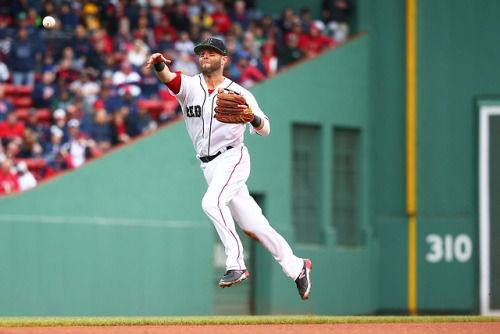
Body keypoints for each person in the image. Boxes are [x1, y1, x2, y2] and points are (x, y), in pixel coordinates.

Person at [146, 37, 312, 300]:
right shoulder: (189, 87)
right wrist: (157, 65)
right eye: (202, 53)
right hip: (208, 166)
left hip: (233, 158)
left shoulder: (241, 93)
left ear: (223, 59)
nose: (205, 57)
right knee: (254, 225)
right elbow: (169, 78)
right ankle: (297, 267)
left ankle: (236, 264)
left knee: (211, 203)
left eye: (211, 53)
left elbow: (265, 128)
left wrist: (252, 117)